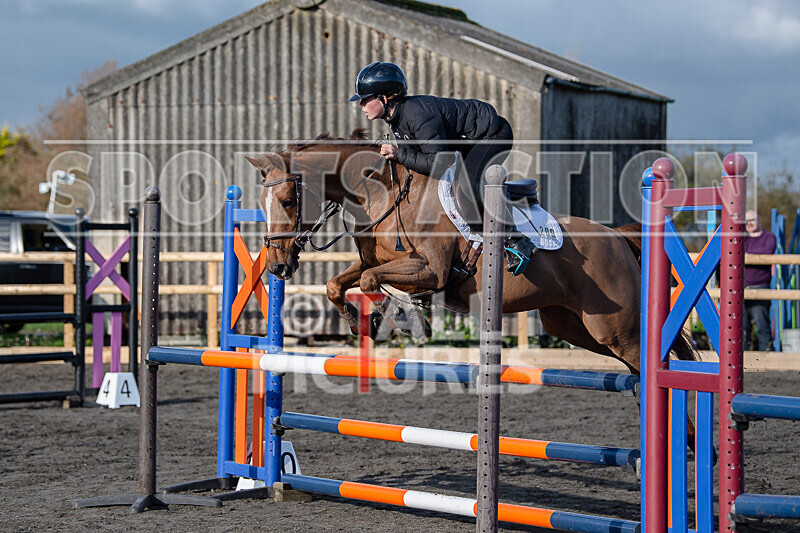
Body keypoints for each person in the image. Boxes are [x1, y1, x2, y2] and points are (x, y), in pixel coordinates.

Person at [349, 61, 536, 275]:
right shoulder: (395, 117)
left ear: (384, 97)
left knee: (466, 186)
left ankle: (517, 240)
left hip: (492, 135)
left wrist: (399, 153)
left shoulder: (417, 114)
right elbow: (417, 160)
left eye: (365, 99)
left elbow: (438, 165)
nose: (361, 105)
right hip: (467, 141)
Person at [743, 210, 777, 351]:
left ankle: (767, 357)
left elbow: (767, 251)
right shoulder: (742, 238)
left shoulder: (769, 237)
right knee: (741, 328)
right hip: (742, 288)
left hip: (760, 287)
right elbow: (734, 251)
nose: (749, 223)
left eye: (752, 220)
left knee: (762, 325)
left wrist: (747, 255)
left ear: (759, 220)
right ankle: (742, 360)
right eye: (746, 221)